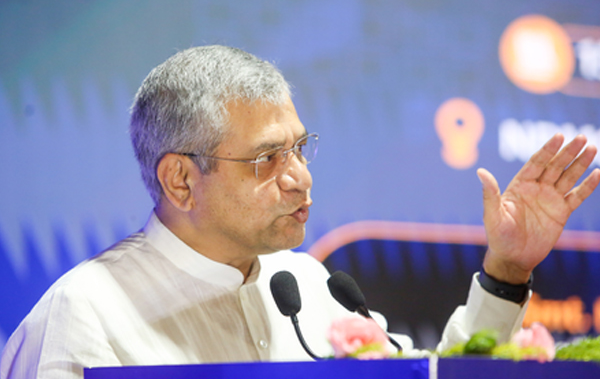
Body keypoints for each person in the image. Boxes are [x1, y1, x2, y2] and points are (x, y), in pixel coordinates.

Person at [1, 45, 599, 378]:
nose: (301, 178)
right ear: (180, 180)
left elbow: (430, 376)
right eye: (267, 159)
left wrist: (507, 270)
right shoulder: (84, 315)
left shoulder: (309, 285)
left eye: (299, 148)